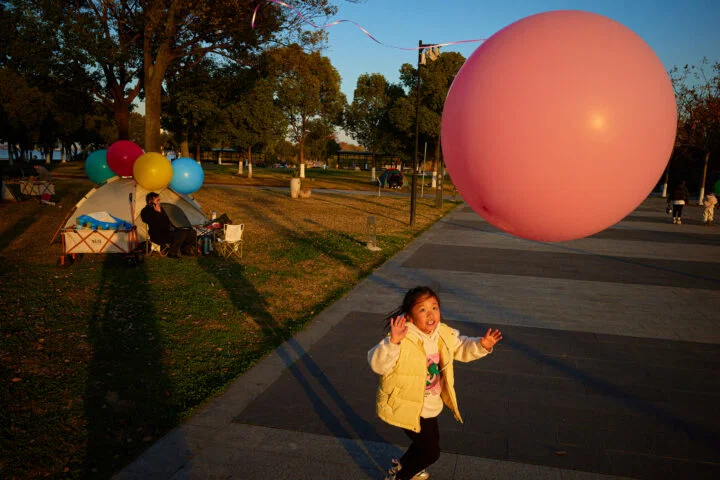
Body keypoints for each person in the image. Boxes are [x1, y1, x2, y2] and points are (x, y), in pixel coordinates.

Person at [368, 286, 503, 480]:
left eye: (434, 307)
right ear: (409, 316)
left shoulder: (442, 333)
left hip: (430, 403)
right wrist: (393, 343)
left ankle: (404, 465)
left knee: (428, 443)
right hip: (407, 404)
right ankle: (401, 476)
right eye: (422, 309)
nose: (430, 314)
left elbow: (460, 346)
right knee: (431, 452)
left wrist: (481, 345)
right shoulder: (402, 338)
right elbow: (378, 365)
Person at [140, 192, 197, 258]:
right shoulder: (145, 211)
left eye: (159, 200)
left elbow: (166, 221)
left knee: (192, 232)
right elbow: (152, 221)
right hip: (157, 235)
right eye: (157, 200)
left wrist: (160, 212)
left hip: (167, 232)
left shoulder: (160, 209)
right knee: (181, 233)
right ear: (150, 202)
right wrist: (158, 213)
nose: (159, 202)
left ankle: (186, 249)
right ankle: (172, 252)